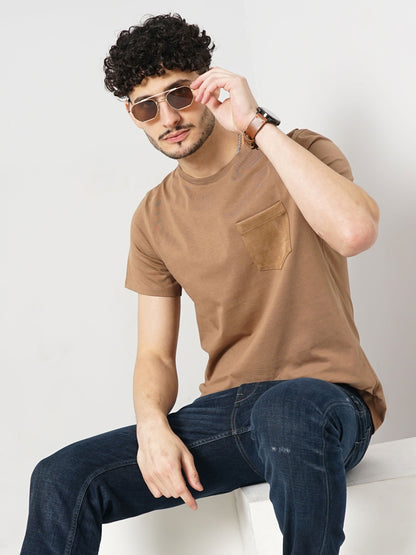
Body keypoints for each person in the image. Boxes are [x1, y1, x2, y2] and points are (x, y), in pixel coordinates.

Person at [21, 13, 386, 555]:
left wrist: (255, 123)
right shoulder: (154, 217)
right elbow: (154, 354)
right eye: (147, 107)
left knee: (285, 410)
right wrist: (151, 426)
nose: (168, 117)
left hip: (325, 403)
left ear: (209, 86)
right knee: (60, 477)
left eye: (179, 94)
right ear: (133, 116)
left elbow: (355, 232)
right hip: (229, 412)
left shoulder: (296, 150)